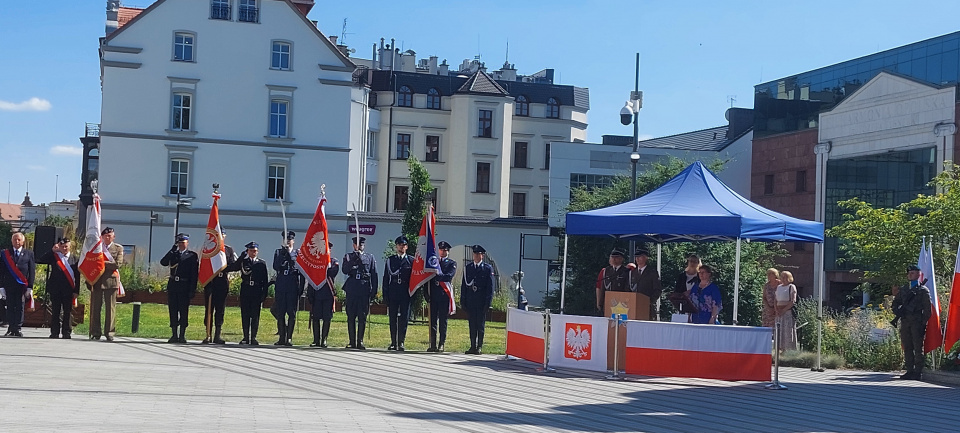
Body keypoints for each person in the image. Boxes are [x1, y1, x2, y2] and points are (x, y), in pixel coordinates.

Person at [893, 264, 932, 380]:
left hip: (917, 322)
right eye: (909, 273)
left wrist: (923, 323)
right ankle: (909, 370)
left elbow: (927, 310)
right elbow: (895, 303)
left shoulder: (923, 290)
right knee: (907, 346)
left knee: (918, 347)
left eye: (913, 272)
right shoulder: (904, 289)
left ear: (918, 274)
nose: (910, 274)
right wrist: (897, 312)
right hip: (905, 321)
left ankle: (917, 371)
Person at [225, 242, 269, 345]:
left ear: (257, 252)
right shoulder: (243, 262)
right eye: (250, 251)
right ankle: (245, 337)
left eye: (254, 251)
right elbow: (233, 267)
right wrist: (241, 258)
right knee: (245, 314)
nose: (253, 253)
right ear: (247, 251)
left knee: (255, 315)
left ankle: (253, 337)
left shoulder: (261, 263)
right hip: (246, 290)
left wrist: (264, 294)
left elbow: (265, 281)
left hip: (257, 290)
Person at [36, 237, 80, 339]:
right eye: (62, 246)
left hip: (68, 290)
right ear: (59, 246)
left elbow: (77, 276)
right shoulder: (54, 257)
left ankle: (66, 332)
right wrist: (52, 251)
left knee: (67, 311)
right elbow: (40, 259)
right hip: (56, 289)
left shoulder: (75, 259)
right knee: (55, 311)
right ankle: (54, 332)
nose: (64, 249)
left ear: (70, 247)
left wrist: (76, 291)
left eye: (66, 247)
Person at [160, 233, 199, 343]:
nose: (181, 244)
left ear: (187, 243)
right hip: (173, 286)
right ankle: (174, 334)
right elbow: (163, 262)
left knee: (183, 311)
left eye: (183, 242)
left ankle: (182, 335)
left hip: (184, 286)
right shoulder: (174, 254)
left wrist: (192, 289)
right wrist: (172, 250)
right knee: (173, 310)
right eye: (179, 243)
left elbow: (194, 274)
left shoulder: (192, 256)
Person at [342, 236, 378, 350]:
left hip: (364, 288)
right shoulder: (348, 256)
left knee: (362, 316)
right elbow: (345, 270)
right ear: (354, 245)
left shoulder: (369, 257)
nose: (360, 246)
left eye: (362, 244)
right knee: (351, 316)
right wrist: (354, 259)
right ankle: (352, 341)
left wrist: (374, 290)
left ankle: (360, 341)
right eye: (358, 244)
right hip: (352, 288)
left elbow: (374, 274)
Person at [201, 231, 236, 345]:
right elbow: (204, 264)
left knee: (220, 310)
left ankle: (217, 335)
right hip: (211, 282)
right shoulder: (209, 248)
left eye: (223, 236)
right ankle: (208, 334)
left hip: (222, 282)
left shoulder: (228, 249)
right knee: (209, 309)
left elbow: (232, 265)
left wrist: (223, 268)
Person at [89, 227, 123, 341]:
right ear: (102, 237)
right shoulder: (97, 248)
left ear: (114, 237)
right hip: (97, 280)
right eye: (106, 236)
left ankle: (109, 333)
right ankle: (95, 332)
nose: (108, 237)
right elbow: (91, 262)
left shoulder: (118, 248)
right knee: (96, 308)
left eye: (110, 235)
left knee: (110, 309)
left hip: (111, 281)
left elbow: (117, 264)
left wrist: (102, 262)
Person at [462, 245, 495, 355]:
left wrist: (488, 303)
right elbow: (464, 286)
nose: (476, 256)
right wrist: (463, 300)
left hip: (481, 301)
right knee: (472, 324)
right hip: (471, 300)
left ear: (482, 255)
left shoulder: (487, 268)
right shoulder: (468, 268)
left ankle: (479, 346)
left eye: (478, 254)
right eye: (475, 254)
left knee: (480, 325)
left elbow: (490, 288)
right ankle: (472, 346)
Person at [273, 231, 304, 346]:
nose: (288, 242)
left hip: (292, 285)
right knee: (280, 313)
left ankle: (289, 337)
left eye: (290, 240)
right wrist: (283, 254)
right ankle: (282, 336)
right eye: (286, 240)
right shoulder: (278, 252)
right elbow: (276, 266)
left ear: (293, 241)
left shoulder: (298, 253)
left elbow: (298, 268)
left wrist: (300, 289)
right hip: (281, 285)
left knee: (291, 313)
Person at [383, 236, 414, 351]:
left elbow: (414, 279)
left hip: (405, 292)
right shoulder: (391, 260)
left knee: (404, 318)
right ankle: (393, 342)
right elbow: (386, 278)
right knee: (392, 318)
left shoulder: (411, 261)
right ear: (396, 246)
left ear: (406, 247)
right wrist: (385, 294)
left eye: (403, 245)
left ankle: (401, 342)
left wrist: (413, 294)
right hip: (393, 291)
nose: (401, 247)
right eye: (399, 245)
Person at [1, 232, 35, 337]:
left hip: (22, 286)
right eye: (15, 239)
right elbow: (1, 271)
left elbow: (32, 271)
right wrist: (1, 286)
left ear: (23, 241)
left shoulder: (29, 254)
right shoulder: (5, 254)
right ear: (11, 241)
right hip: (9, 285)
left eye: (19, 240)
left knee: (20, 306)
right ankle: (11, 327)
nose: (17, 241)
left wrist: (30, 286)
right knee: (10, 306)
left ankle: (18, 328)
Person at [427, 240, 457, 352]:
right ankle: (433, 344)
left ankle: (441, 343)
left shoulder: (451, 263)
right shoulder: (433, 262)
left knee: (443, 321)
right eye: (441, 250)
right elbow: (428, 278)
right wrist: (427, 293)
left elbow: (448, 276)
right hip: (433, 295)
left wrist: (438, 276)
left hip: (444, 295)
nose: (443, 252)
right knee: (433, 321)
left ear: (448, 251)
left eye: (445, 250)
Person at [308, 242, 339, 348]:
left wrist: (325, 262)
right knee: (315, 317)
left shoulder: (334, 262)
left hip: (328, 294)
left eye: (328, 250)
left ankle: (324, 339)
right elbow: (312, 275)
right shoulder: (315, 262)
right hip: (317, 293)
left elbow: (332, 273)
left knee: (327, 318)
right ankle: (316, 340)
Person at [629, 249, 662, 321]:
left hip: (647, 307)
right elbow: (628, 288)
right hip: (633, 306)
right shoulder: (632, 272)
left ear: (646, 258)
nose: (637, 259)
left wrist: (649, 301)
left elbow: (657, 290)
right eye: (636, 256)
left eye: (640, 256)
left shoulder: (652, 272)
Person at [774, 270, 798, 352]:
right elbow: (775, 299)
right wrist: (776, 310)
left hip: (787, 312)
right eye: (782, 277)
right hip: (779, 313)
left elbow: (792, 301)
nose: (783, 279)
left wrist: (784, 310)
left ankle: (789, 351)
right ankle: (779, 350)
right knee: (779, 331)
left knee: (788, 331)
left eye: (785, 277)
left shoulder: (791, 287)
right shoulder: (779, 287)